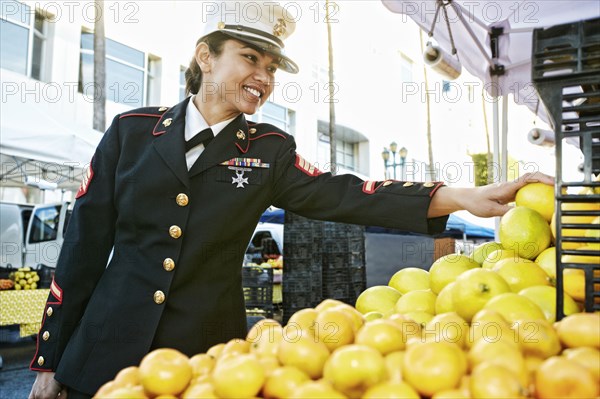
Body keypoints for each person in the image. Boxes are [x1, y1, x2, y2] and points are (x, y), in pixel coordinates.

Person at [29, 3, 553, 398]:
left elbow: (348, 194)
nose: (263, 77)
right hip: (102, 353)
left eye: (272, 67)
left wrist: (463, 196)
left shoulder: (269, 149)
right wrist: (49, 359)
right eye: (250, 58)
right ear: (205, 55)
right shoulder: (131, 132)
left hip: (209, 358)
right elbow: (82, 247)